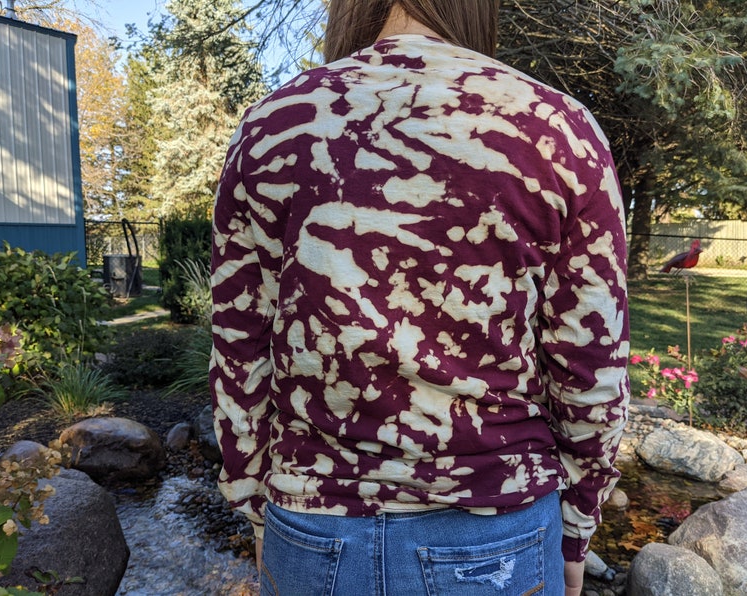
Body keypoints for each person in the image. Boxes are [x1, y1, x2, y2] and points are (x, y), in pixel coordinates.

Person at [210, 1, 629, 594]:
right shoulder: (556, 128)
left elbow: (238, 349)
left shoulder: (272, 124)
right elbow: (592, 365)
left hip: (314, 522)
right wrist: (578, 522)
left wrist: (253, 504)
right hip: (497, 526)